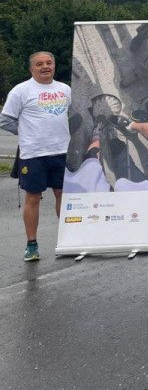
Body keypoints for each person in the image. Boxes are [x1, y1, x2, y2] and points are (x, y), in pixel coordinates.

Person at [0, 52, 71, 261]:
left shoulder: (65, 89)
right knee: (33, 198)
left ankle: (68, 240)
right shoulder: (21, 90)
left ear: (54, 66)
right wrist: (25, 131)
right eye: (39, 64)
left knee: (62, 194)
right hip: (33, 154)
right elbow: (5, 120)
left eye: (49, 63)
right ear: (32, 69)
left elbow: (75, 117)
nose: (45, 67)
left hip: (61, 151)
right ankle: (32, 244)